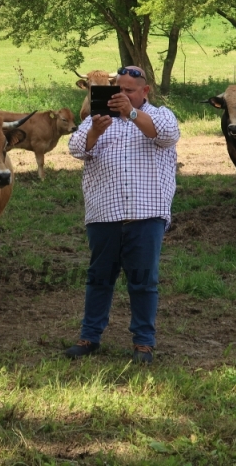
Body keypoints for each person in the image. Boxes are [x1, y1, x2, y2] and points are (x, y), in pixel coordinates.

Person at [64, 66, 180, 364]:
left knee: (143, 280)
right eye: (119, 89)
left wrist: (130, 113)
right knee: (99, 278)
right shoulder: (97, 119)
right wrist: (94, 131)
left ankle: (143, 343)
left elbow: (166, 136)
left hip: (147, 212)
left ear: (145, 91)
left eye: (130, 90)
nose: (123, 95)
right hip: (104, 212)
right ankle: (89, 337)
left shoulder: (162, 114)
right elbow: (75, 148)